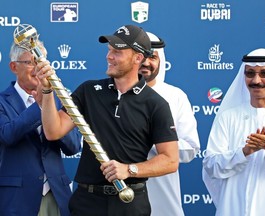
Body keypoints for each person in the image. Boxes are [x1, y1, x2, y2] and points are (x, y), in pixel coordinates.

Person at [35, 25, 179, 216]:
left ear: (138, 58)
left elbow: (170, 160)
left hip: (129, 202)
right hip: (87, 201)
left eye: (117, 52)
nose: (109, 56)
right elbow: (54, 131)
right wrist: (46, 91)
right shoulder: (88, 91)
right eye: (109, 50)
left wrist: (129, 169)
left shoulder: (156, 104)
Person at [202, 48, 265, 216]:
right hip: (233, 209)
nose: (256, 80)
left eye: (264, 73)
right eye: (250, 74)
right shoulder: (228, 116)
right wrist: (244, 152)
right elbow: (211, 166)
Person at [0, 40, 82, 216]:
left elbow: (74, 147)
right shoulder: (2, 101)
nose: (38, 68)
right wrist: (39, 107)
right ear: (14, 67)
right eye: (30, 62)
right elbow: (7, 135)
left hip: (56, 196)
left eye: (41, 61)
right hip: (17, 199)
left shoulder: (60, 100)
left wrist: (50, 108)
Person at [138, 32, 200, 216]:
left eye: (152, 57)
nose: (146, 62)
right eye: (141, 56)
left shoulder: (175, 97)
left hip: (163, 195)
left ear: (160, 60)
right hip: (118, 195)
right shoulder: (113, 95)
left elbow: (190, 149)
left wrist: (156, 140)